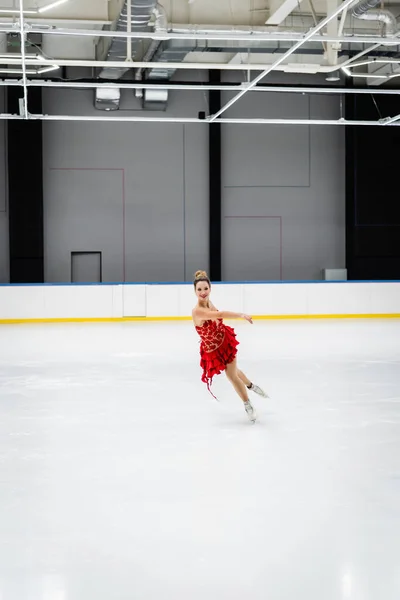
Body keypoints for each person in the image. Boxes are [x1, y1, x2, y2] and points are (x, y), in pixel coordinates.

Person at [192, 270, 267, 423]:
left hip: (224, 342)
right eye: (199, 289)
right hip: (213, 349)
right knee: (234, 371)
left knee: (231, 374)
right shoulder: (197, 311)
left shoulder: (209, 303)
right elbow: (221, 314)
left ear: (210, 288)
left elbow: (218, 316)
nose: (203, 292)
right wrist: (240, 314)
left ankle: (248, 404)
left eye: (205, 288)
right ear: (195, 291)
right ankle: (251, 386)